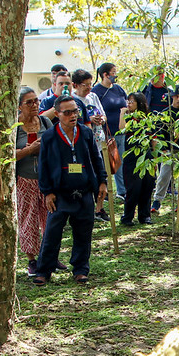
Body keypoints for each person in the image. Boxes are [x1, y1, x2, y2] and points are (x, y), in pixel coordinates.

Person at [33, 95, 108, 286]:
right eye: (67, 113)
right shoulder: (49, 137)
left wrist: (102, 182)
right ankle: (44, 270)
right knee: (52, 233)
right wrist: (47, 191)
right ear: (57, 114)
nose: (73, 116)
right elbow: (43, 167)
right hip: (60, 195)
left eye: (75, 111)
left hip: (83, 192)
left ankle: (80, 269)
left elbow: (96, 158)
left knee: (84, 233)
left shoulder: (85, 133)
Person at [15, 86, 55, 277]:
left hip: (46, 179)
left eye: (36, 101)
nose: (34, 105)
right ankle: (32, 260)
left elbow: (56, 145)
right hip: (25, 179)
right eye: (29, 102)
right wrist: (29, 150)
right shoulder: (14, 127)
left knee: (50, 218)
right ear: (19, 106)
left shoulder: (45, 121)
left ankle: (49, 256)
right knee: (28, 219)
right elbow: (8, 155)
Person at [72, 69, 110, 222]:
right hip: (81, 144)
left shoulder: (93, 96)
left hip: (98, 142)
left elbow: (104, 115)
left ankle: (99, 208)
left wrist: (100, 119)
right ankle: (81, 208)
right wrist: (90, 119)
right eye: (85, 85)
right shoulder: (72, 100)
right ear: (75, 85)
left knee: (101, 175)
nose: (88, 88)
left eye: (90, 84)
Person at [91, 62, 128, 200]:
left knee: (120, 161)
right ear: (105, 75)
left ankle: (122, 190)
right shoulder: (96, 91)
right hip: (105, 133)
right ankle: (105, 189)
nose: (115, 75)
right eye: (113, 72)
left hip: (120, 132)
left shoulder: (118, 89)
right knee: (106, 162)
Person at [152, 86, 179, 214]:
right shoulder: (165, 113)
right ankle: (157, 201)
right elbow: (160, 132)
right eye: (177, 96)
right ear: (172, 97)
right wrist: (162, 149)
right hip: (168, 150)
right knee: (163, 175)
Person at [119, 92, 154, 225]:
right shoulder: (128, 117)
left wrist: (155, 156)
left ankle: (144, 216)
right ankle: (127, 217)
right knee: (133, 188)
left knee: (147, 185)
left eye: (131, 102)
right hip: (132, 156)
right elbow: (122, 128)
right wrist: (122, 113)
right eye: (128, 101)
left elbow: (153, 139)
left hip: (146, 156)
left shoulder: (147, 118)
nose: (129, 104)